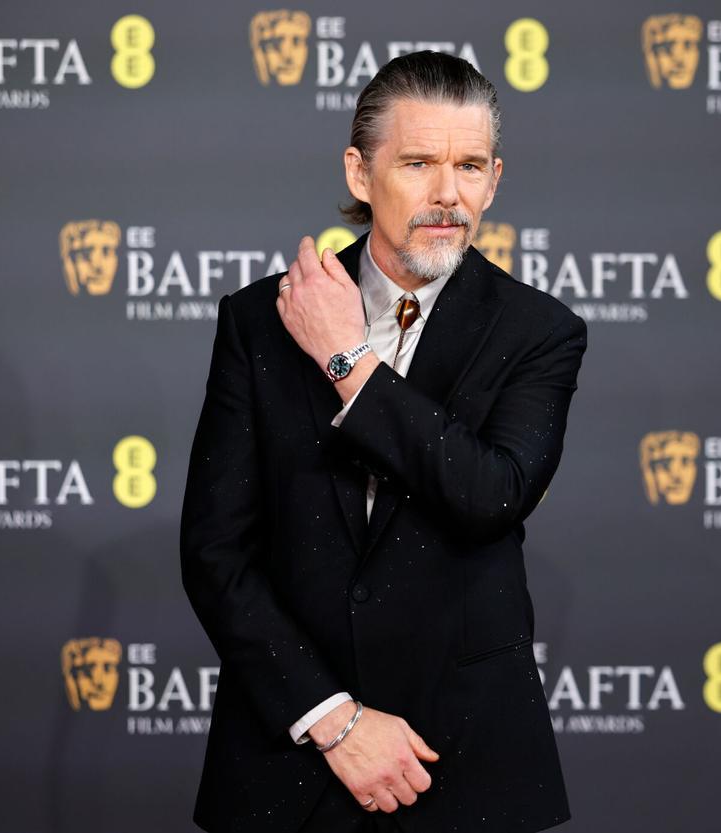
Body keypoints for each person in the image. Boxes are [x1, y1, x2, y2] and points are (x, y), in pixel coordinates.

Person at [180, 50, 587, 833]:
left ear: (495, 179)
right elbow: (216, 552)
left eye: (470, 166)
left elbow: (487, 493)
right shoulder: (261, 319)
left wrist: (348, 362)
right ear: (360, 174)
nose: (448, 194)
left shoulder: (539, 332)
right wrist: (334, 718)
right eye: (418, 163)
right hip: (291, 761)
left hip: (464, 766)